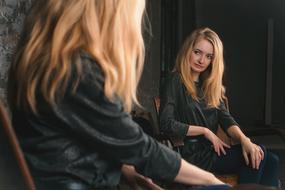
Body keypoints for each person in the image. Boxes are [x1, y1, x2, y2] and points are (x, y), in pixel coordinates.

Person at [7, 1, 231, 190]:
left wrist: (123, 170)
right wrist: (212, 181)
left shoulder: (47, 60)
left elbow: (73, 138)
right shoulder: (77, 70)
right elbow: (141, 148)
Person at [159, 27, 280, 188]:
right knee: (258, 156)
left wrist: (245, 140)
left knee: (271, 159)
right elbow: (166, 123)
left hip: (212, 151)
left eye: (208, 56)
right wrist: (205, 131)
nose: (202, 60)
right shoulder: (174, 80)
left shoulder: (210, 86)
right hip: (191, 154)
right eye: (197, 52)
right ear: (188, 50)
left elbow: (226, 119)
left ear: (213, 61)